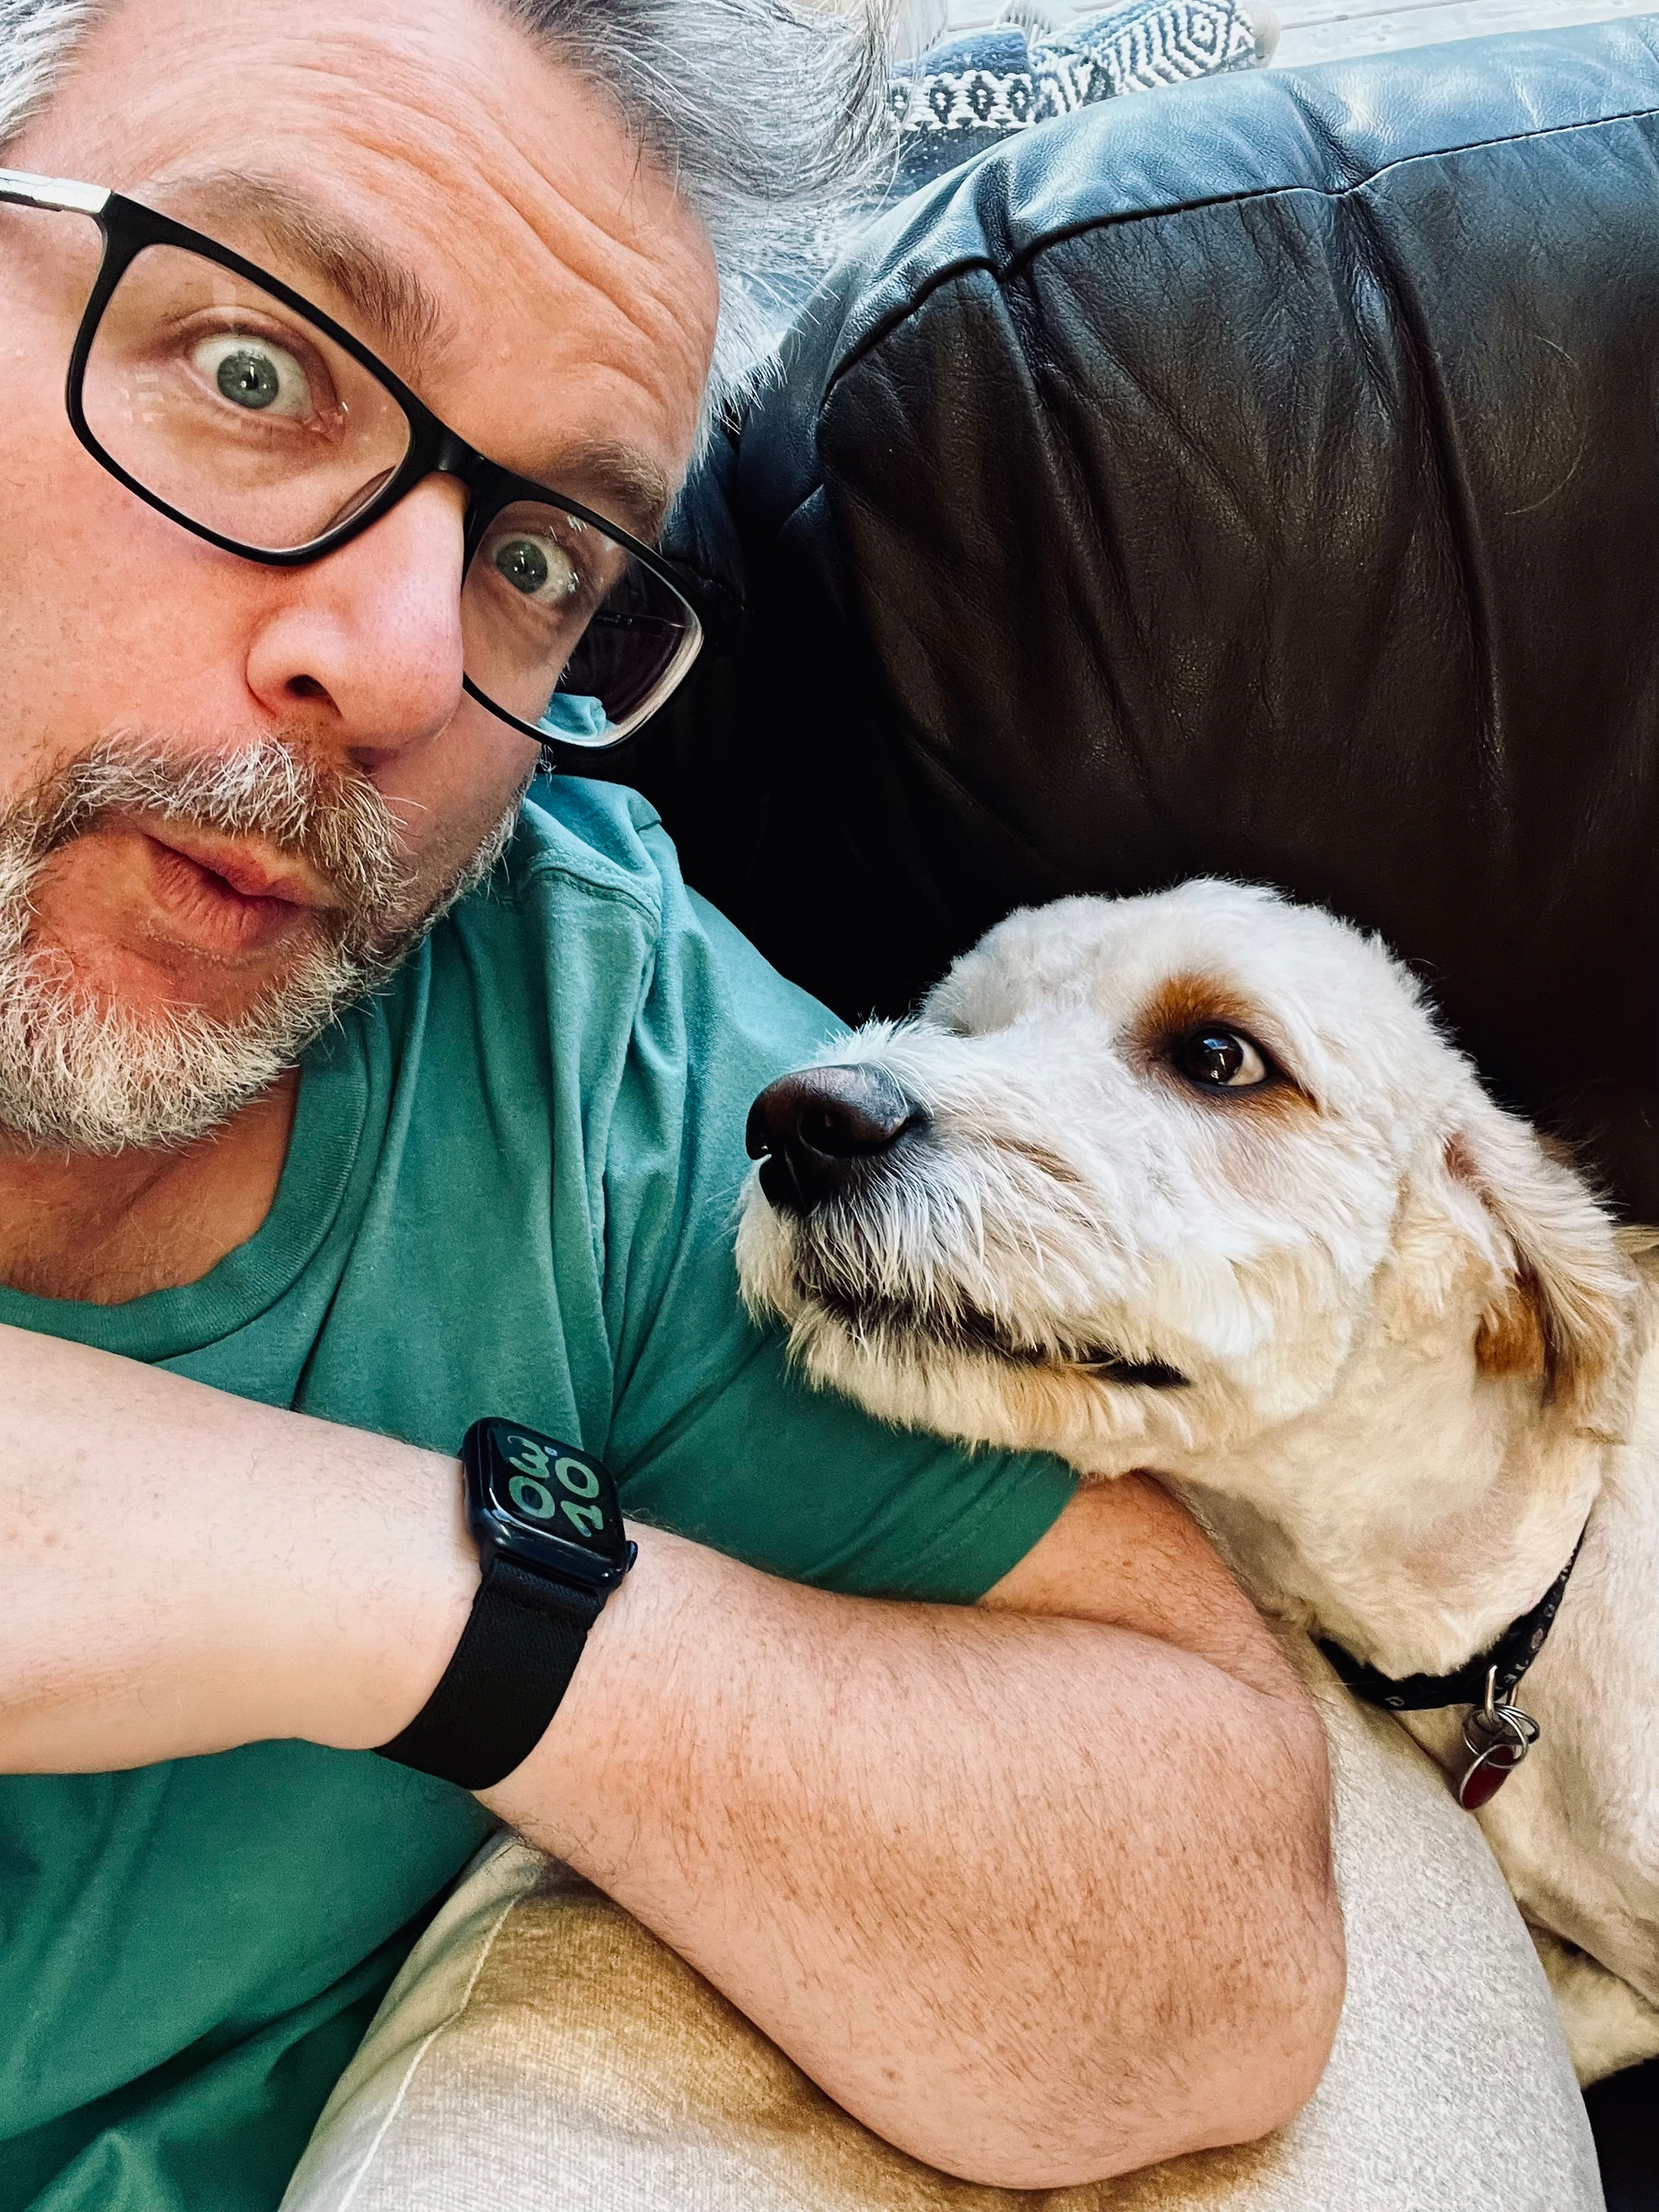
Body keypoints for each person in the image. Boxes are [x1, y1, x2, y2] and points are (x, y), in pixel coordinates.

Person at [0, 0, 1346, 2205]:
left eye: (537, 557)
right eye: (253, 372)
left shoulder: (590, 1039)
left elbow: (1216, 1940)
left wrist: (386, 1581)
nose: (405, 667)